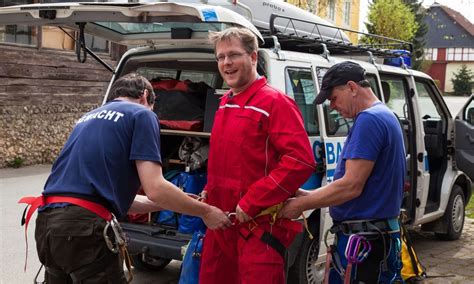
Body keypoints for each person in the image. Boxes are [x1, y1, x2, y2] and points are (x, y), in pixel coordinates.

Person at [21, 73, 231, 284]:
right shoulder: (142, 114)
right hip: (83, 228)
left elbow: (108, 199)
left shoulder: (87, 117)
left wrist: (174, 202)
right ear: (145, 96)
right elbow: (155, 187)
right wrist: (206, 212)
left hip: (48, 223)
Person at [199, 27, 316, 284]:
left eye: (233, 55)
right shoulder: (225, 103)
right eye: (220, 57)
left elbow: (300, 160)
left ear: (253, 58)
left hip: (258, 230)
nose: (226, 63)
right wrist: (210, 188)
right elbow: (229, 159)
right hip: (221, 227)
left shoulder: (275, 102)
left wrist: (252, 200)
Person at [278, 61, 406, 283]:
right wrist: (309, 195)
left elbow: (351, 186)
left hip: (365, 242)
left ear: (352, 87)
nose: (332, 106)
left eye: (333, 98)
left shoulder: (369, 120)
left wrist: (300, 205)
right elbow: (357, 183)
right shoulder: (385, 115)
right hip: (376, 237)